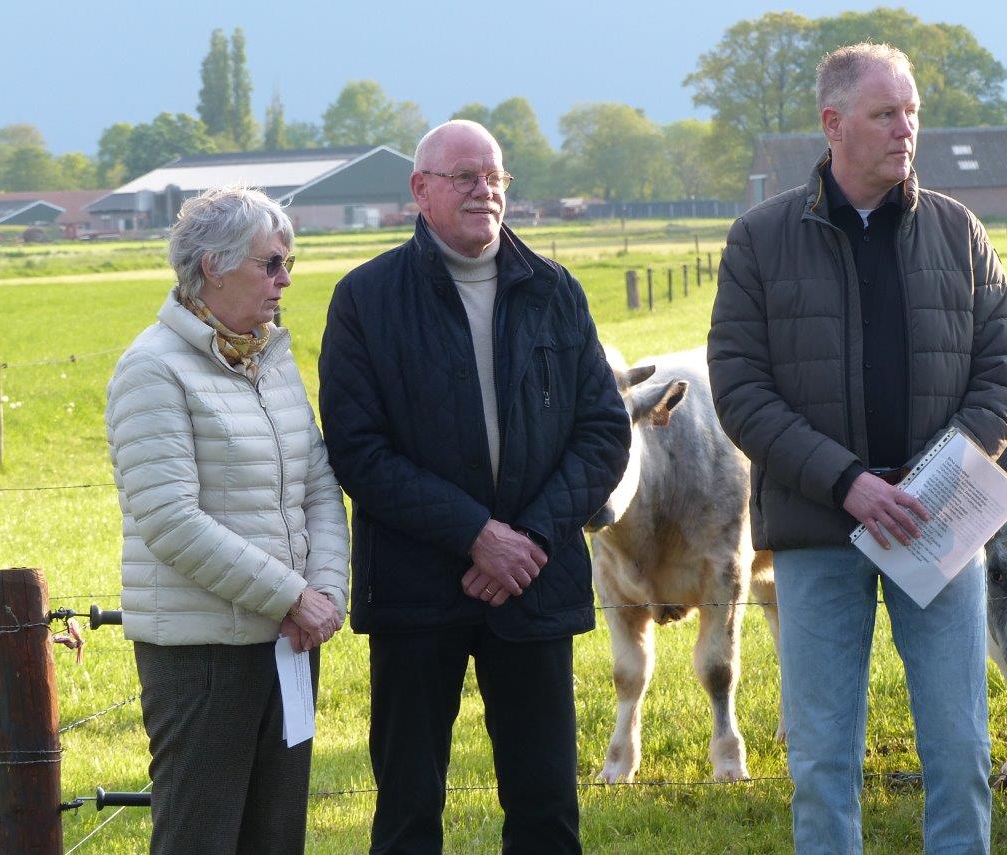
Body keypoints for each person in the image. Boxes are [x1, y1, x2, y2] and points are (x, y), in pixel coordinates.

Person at [707, 43, 1007, 853]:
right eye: (886, 114)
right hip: (819, 531)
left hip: (939, 524)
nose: (906, 129)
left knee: (960, 752)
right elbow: (740, 388)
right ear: (833, 123)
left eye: (912, 111)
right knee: (821, 761)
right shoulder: (759, 239)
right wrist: (847, 482)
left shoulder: (960, 233)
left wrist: (935, 481)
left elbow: (1003, 370)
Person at [319, 119, 630, 854]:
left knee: (547, 805)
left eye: (495, 176)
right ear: (419, 190)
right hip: (417, 590)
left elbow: (603, 433)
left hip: (535, 582)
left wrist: (527, 540)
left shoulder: (555, 291)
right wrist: (474, 534)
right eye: (464, 176)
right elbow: (359, 451)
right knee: (407, 808)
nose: (484, 189)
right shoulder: (366, 299)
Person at [106, 185, 349, 854]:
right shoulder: (151, 370)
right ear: (212, 265)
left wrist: (326, 591)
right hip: (203, 657)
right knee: (202, 838)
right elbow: (169, 519)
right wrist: (292, 594)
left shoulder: (272, 361)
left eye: (288, 262)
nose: (285, 278)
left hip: (288, 643)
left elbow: (319, 482)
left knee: (276, 837)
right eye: (270, 263)